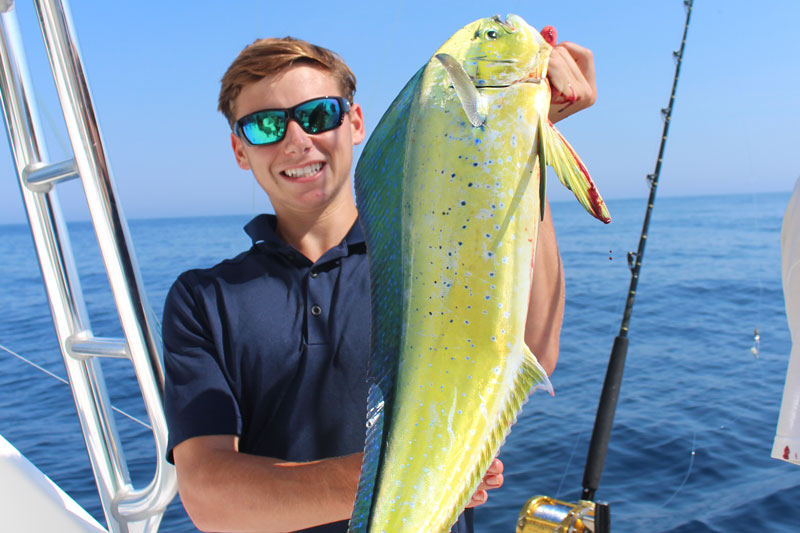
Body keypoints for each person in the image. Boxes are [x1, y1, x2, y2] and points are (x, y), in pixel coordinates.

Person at [162, 32, 598, 533]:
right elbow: (210, 497)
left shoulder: (425, 255)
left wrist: (525, 136)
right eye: (265, 126)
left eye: (319, 114)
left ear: (355, 122)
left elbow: (532, 348)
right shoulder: (203, 299)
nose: (297, 139)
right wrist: (404, 481)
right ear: (241, 150)